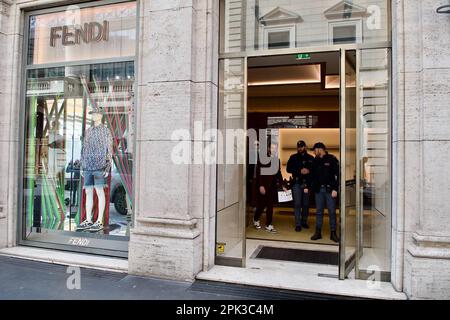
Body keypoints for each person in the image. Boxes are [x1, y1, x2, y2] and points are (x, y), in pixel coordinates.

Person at [310, 142, 340, 243]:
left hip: (330, 190)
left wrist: (335, 189)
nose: (314, 152)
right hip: (319, 191)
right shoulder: (315, 161)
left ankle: (333, 233)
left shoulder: (332, 159)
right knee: (319, 212)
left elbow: (338, 175)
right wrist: (312, 188)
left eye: (315, 150)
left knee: (332, 212)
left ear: (320, 149)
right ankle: (318, 232)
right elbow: (312, 176)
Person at [254, 142, 286, 233]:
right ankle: (256, 218)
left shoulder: (277, 160)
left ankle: (269, 225)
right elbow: (258, 173)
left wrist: (282, 185)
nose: (273, 149)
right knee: (261, 205)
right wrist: (260, 186)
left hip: (272, 187)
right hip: (263, 186)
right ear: (268, 148)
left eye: (275, 148)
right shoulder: (263, 159)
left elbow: (278, 174)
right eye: (272, 148)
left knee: (270, 206)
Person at [286, 140, 314, 232]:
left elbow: (315, 171)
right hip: (297, 183)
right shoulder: (293, 157)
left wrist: (309, 171)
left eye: (302, 146)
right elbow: (288, 169)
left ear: (305, 147)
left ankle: (304, 222)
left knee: (306, 204)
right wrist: (299, 171)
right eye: (298, 147)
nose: (300, 148)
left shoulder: (311, 158)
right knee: (297, 204)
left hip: (307, 184)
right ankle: (298, 224)